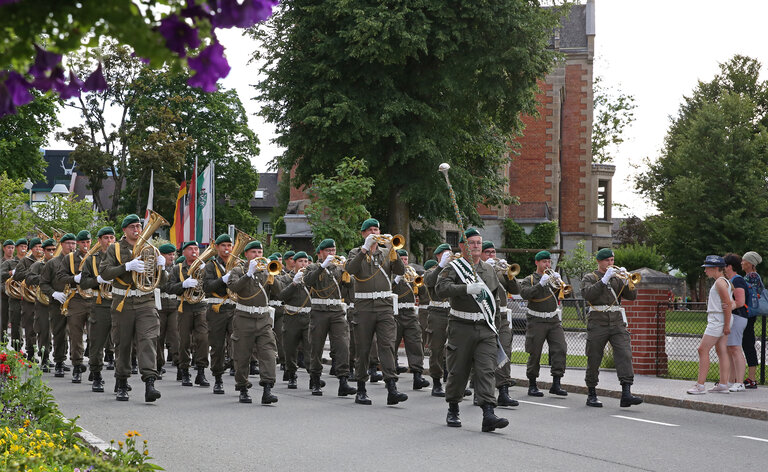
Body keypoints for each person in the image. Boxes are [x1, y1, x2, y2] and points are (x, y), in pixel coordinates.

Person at [435, 228, 508, 432]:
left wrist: (496, 329)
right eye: (472, 242)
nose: (476, 246)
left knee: (486, 371)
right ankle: (453, 408)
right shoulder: (454, 268)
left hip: (485, 328)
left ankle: (488, 414)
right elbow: (440, 289)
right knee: (458, 371)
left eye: (478, 242)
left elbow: (494, 301)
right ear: (462, 246)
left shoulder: (488, 270)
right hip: (461, 326)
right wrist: (465, 289)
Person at [100, 214, 166, 402]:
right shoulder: (115, 249)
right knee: (123, 342)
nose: (137, 230)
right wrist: (126, 266)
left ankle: (150, 383)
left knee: (148, 340)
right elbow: (104, 273)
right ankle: (121, 381)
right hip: (124, 302)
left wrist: (163, 268)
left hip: (146, 301)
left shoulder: (150, 249)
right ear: (124, 230)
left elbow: (161, 282)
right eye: (132, 227)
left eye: (138, 226)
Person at [345, 219, 408, 405]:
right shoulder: (355, 252)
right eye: (370, 230)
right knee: (363, 348)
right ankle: (361, 389)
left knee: (387, 345)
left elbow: (401, 270)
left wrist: (393, 251)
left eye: (377, 229)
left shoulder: (387, 253)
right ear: (363, 233)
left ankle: (392, 388)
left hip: (384, 305)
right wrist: (364, 249)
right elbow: (350, 270)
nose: (374, 232)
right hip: (363, 306)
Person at [581, 248, 642, 408]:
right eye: (607, 260)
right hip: (597, 322)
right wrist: (603, 281)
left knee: (625, 354)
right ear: (599, 262)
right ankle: (592, 393)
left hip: (616, 322)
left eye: (612, 260)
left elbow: (631, 297)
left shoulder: (616, 279)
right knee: (594, 357)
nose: (610, 263)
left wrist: (628, 280)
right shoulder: (590, 277)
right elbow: (588, 295)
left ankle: (626, 393)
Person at [227, 240, 283, 404]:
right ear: (246, 255)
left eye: (260, 252)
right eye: (254, 252)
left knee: (268, 353)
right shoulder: (238, 270)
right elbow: (234, 287)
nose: (258, 256)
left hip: (263, 319)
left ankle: (267, 389)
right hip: (244, 318)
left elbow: (280, 293)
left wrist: (273, 277)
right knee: (242, 355)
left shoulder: (267, 271)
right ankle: (243, 388)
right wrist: (248, 274)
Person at [303, 239, 357, 397]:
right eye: (328, 251)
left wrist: (346, 270)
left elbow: (351, 285)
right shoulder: (313, 267)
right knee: (316, 347)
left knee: (342, 345)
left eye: (333, 250)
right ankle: (315, 379)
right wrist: (322, 266)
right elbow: (308, 281)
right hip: (319, 311)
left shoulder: (339, 268)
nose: (332, 254)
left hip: (337, 311)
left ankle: (343, 381)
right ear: (320, 253)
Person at [519, 250, 568, 397]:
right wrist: (541, 283)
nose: (547, 264)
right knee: (535, 352)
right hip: (536, 320)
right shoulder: (530, 279)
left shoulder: (553, 279)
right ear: (537, 263)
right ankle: (532, 384)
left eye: (549, 262)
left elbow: (566, 294)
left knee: (560, 348)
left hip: (553, 320)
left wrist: (560, 285)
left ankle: (556, 383)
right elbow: (525, 294)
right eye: (544, 262)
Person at [480, 241, 520, 407]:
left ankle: (503, 391)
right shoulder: (477, 269)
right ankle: (479, 392)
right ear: (481, 254)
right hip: (485, 317)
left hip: (502, 318)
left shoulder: (501, 270)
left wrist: (510, 276)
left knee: (505, 352)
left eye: (493, 252)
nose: (491, 255)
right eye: (487, 252)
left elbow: (516, 290)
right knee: (482, 356)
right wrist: (486, 270)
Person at [166, 241, 210, 387]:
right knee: (184, 341)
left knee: (203, 339)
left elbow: (212, 286)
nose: (194, 252)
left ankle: (201, 372)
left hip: (201, 306)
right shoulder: (177, 268)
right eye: (190, 249)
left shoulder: (205, 267)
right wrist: (183, 285)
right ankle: (184, 370)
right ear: (183, 252)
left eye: (196, 249)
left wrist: (207, 272)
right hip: (183, 307)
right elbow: (169, 288)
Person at [687, 255, 733, 395]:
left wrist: (725, 324)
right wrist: (726, 323)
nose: (705, 271)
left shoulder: (719, 282)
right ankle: (723, 383)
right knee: (721, 350)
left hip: (717, 319)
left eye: (707, 268)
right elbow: (728, 303)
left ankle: (700, 385)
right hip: (720, 319)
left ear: (715, 268)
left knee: (702, 349)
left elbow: (727, 304)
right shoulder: (723, 281)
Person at [79, 227, 115, 392]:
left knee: (122, 342)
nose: (109, 241)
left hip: (120, 301)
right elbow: (84, 283)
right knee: (97, 341)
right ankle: (97, 373)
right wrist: (98, 279)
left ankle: (121, 378)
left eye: (111, 237)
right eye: (106, 238)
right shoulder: (91, 260)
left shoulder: (122, 256)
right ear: (99, 240)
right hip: (100, 302)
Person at [57, 230, 94, 383]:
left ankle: (94, 367)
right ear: (78, 243)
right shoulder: (70, 258)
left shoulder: (96, 256)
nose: (86, 245)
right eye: (82, 242)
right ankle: (77, 366)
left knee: (95, 335)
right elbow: (60, 277)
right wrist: (74, 278)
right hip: (76, 299)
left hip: (94, 298)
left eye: (88, 242)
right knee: (76, 335)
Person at [202, 234, 238, 395]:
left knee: (237, 342)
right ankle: (217, 377)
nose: (227, 249)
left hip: (234, 308)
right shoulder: (210, 266)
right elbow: (207, 287)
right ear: (217, 247)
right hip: (216, 309)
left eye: (229, 245)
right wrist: (223, 279)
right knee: (217, 346)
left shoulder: (237, 264)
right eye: (223, 245)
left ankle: (238, 374)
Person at [391, 248, 430, 390]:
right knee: (391, 344)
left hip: (410, 313)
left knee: (415, 343)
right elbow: (387, 290)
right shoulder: (390, 275)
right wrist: (396, 280)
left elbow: (424, 294)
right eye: (402, 259)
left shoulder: (411, 275)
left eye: (406, 259)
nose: (405, 262)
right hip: (395, 313)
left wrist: (419, 282)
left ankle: (417, 375)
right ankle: (390, 374)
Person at [40, 233, 75, 377]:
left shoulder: (80, 260)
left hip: (76, 301)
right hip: (58, 302)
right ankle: (59, 361)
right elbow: (43, 284)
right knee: (59, 332)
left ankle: (76, 362)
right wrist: (54, 293)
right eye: (68, 243)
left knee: (75, 334)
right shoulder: (52, 263)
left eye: (73, 243)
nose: (71, 246)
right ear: (62, 245)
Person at [278, 251, 311, 389]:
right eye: (300, 261)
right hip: (292, 316)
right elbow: (282, 295)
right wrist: (294, 283)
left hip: (308, 317)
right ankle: (291, 374)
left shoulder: (311, 278)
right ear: (294, 263)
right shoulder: (286, 278)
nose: (304, 264)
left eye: (306, 261)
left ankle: (314, 377)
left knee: (311, 349)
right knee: (290, 349)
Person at [424, 243, 453, 397]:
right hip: (437, 312)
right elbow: (429, 281)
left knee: (456, 348)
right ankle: (436, 381)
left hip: (454, 311)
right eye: (445, 254)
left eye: (450, 253)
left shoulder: (456, 269)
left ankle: (453, 380)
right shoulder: (432, 270)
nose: (449, 256)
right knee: (436, 348)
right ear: (438, 256)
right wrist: (441, 266)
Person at [26, 238, 56, 371]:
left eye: (54, 250)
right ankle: (44, 358)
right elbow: (29, 279)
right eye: (49, 250)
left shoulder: (58, 263)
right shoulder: (38, 265)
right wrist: (44, 277)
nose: (51, 252)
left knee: (60, 330)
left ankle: (59, 359)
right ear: (43, 251)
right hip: (42, 302)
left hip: (57, 300)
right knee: (44, 330)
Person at [12, 237, 42, 360]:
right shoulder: (25, 261)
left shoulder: (45, 260)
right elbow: (17, 276)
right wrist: (31, 272)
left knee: (45, 327)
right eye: (36, 247)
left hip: (43, 297)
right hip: (29, 298)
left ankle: (45, 355)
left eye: (41, 247)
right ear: (32, 249)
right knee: (30, 327)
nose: (39, 249)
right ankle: (31, 353)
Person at [722, 253, 748, 392]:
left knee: (735, 349)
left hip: (738, 317)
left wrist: (727, 306)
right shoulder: (732, 280)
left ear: (729, 266)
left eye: (724, 266)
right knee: (730, 348)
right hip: (734, 318)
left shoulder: (737, 280)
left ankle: (739, 382)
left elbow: (740, 302)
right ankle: (732, 381)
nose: (722, 269)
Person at [156, 243, 180, 379]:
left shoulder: (177, 268)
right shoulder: (157, 268)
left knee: (176, 336)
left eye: (173, 254)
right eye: (169, 255)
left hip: (174, 304)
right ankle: (158, 365)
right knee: (158, 337)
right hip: (160, 304)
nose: (172, 257)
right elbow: (160, 285)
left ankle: (180, 365)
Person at [2, 238, 28, 351]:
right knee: (6, 322)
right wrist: (11, 273)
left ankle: (28, 350)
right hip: (6, 296)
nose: (11, 250)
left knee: (28, 325)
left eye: (25, 246)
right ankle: (6, 347)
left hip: (24, 296)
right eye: (9, 247)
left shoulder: (28, 262)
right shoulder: (8, 263)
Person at [741, 251, 762, 389]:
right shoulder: (750, 276)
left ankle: (752, 378)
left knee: (748, 344)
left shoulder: (752, 276)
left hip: (749, 314)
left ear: (750, 263)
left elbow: (751, 294)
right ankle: (749, 377)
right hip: (748, 314)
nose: (741, 263)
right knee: (746, 343)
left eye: (744, 261)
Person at [1, 239, 15, 344]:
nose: (11, 250)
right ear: (4, 248)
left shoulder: (16, 262)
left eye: (12, 247)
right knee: (2, 321)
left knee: (16, 322)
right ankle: (3, 344)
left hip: (15, 295)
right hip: (3, 295)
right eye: (8, 247)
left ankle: (17, 348)